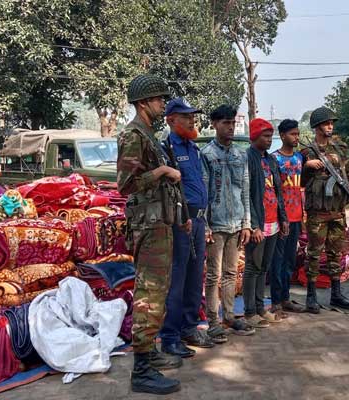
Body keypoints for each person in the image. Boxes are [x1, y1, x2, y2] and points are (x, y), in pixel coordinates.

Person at [117, 74, 182, 394]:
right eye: (158, 99)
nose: (162, 104)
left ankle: (149, 353)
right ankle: (141, 370)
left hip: (159, 222)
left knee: (158, 290)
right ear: (143, 103)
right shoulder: (133, 134)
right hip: (148, 224)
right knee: (150, 293)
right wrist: (162, 171)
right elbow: (125, 184)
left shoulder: (147, 134)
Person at [158, 97, 213, 360]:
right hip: (180, 221)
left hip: (199, 220)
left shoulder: (193, 148)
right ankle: (170, 336)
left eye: (193, 116)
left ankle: (190, 327)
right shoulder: (165, 149)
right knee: (177, 280)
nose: (193, 120)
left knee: (194, 277)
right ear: (171, 120)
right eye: (186, 116)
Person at [301, 106, 349, 313]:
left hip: (337, 211)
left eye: (331, 123)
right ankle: (311, 296)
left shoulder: (340, 148)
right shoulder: (307, 151)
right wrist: (307, 166)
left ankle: (336, 294)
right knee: (314, 254)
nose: (330, 126)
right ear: (317, 126)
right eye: (326, 123)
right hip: (317, 212)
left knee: (335, 253)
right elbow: (296, 179)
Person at [201, 105, 256, 339]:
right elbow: (203, 193)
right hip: (216, 225)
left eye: (233, 122)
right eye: (225, 122)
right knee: (213, 275)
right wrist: (204, 225)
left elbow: (245, 190)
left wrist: (247, 223)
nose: (231, 127)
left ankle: (230, 316)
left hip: (236, 223)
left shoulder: (239, 155)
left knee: (231, 273)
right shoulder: (207, 155)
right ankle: (213, 320)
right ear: (214, 124)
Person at [244, 118, 288, 328]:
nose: (270, 140)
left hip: (273, 222)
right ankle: (250, 311)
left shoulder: (270, 161)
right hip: (258, 223)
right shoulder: (248, 159)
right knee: (252, 267)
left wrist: (283, 218)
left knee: (264, 267)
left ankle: (261, 308)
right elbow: (247, 195)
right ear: (254, 136)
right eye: (265, 136)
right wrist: (253, 225)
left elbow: (278, 192)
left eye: (271, 136)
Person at [270, 119, 306, 317]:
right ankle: (275, 301)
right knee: (278, 261)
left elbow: (301, 187)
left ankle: (285, 298)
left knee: (290, 261)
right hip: (280, 218)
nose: (296, 138)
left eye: (298, 134)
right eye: (293, 134)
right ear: (282, 136)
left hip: (296, 217)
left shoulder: (300, 158)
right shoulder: (274, 159)